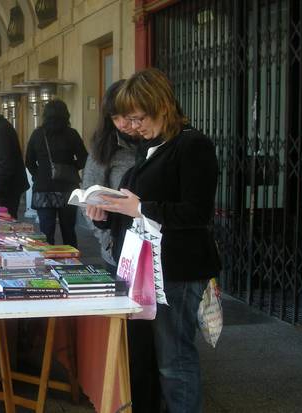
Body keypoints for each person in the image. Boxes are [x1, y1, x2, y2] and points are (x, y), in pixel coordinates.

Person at [86, 68, 221, 413]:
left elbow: (197, 212)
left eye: (138, 117)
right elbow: (138, 209)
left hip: (178, 269)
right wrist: (106, 212)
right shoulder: (152, 146)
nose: (134, 125)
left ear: (162, 105)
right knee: (160, 357)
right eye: (129, 119)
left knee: (174, 361)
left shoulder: (192, 145)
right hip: (150, 268)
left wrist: (140, 206)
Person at [81, 80, 142, 271]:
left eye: (126, 115)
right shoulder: (104, 148)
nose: (122, 124)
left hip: (157, 247)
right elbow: (88, 196)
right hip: (119, 250)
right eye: (115, 118)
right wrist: (108, 240)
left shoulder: (156, 144)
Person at [25, 100, 87, 247]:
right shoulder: (72, 134)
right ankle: (72, 262)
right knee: (69, 230)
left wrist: (38, 175)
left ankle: (48, 264)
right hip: (68, 188)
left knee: (46, 232)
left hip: (44, 189)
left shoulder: (37, 134)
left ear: (45, 115)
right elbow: (85, 159)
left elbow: (29, 161)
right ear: (66, 115)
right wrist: (71, 168)